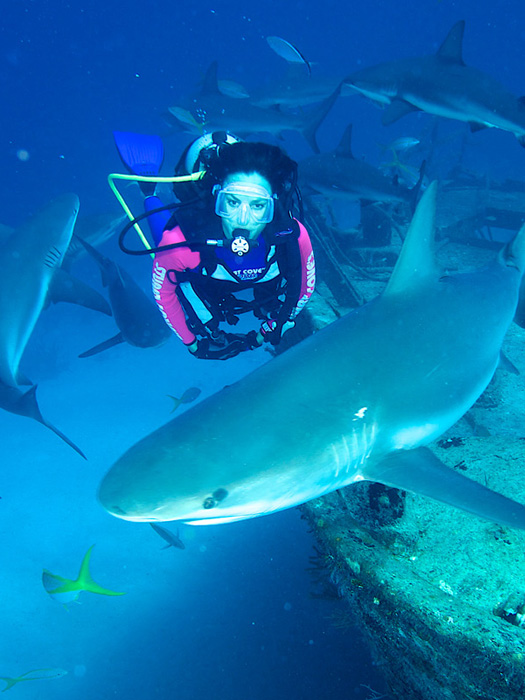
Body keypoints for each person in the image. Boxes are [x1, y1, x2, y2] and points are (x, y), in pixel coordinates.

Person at [116, 131, 316, 360]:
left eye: (258, 206)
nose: (243, 219)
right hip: (209, 275)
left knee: (274, 296)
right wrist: (192, 343)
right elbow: (164, 293)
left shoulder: (292, 236)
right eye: (232, 202)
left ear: (273, 206)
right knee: (165, 244)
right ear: (216, 198)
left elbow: (303, 288)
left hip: (250, 276)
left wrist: (274, 324)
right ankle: (148, 191)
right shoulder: (181, 243)